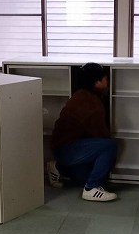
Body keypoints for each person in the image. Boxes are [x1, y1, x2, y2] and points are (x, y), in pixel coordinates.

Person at [48, 62, 118, 202]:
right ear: (97, 82)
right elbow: (101, 135)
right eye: (105, 78)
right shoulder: (92, 104)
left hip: (62, 147)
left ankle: (58, 167)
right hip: (68, 149)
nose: (108, 82)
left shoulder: (81, 94)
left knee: (85, 177)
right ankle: (91, 188)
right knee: (110, 146)